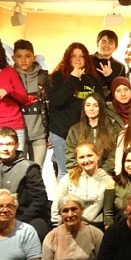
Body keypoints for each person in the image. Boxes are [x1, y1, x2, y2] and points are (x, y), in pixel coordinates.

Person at [0, 127, 50, 243]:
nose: (5, 148)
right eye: (0, 144)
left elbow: (39, 201)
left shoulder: (29, 168)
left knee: (38, 230)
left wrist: (15, 222)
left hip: (24, 217)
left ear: (17, 145)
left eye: (9, 144)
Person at [48, 42, 101, 180]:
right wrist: (73, 78)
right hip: (61, 132)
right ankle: (65, 202)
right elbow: (57, 101)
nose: (77, 59)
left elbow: (99, 103)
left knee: (86, 170)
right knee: (65, 171)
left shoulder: (92, 78)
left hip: (84, 131)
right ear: (68, 57)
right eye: (74, 56)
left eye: (81, 56)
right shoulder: (58, 76)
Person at [52, 143, 114, 230]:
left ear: (98, 156)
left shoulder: (108, 181)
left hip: (96, 228)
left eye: (90, 155)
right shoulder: (68, 179)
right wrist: (57, 229)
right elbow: (56, 207)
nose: (86, 160)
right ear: (76, 160)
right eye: (81, 157)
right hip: (71, 227)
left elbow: (109, 213)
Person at [65, 93, 122, 176]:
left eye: (95, 105)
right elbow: (70, 157)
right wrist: (80, 175)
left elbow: (112, 156)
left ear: (101, 108)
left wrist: (101, 174)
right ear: (84, 108)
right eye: (88, 105)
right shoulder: (75, 130)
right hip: (81, 176)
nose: (91, 109)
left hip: (105, 176)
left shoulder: (111, 129)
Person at [12, 39, 49, 165]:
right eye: (19, 56)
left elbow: (50, 106)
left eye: (27, 56)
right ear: (13, 58)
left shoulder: (44, 77)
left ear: (34, 57)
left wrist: (49, 134)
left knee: (36, 173)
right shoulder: (9, 77)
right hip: (16, 135)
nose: (23, 60)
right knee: (18, 174)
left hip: (39, 135)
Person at [92, 29, 125, 97]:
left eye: (111, 42)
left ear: (116, 47)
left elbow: (122, 91)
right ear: (97, 43)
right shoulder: (87, 60)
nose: (107, 45)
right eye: (103, 42)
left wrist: (110, 76)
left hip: (110, 105)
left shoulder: (120, 67)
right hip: (88, 104)